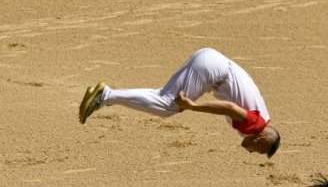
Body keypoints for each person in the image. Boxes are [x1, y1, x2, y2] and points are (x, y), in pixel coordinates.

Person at [78, 48, 281, 157]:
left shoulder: (263, 118)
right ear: (260, 140)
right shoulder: (257, 126)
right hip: (213, 70)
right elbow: (230, 108)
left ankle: (107, 96)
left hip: (212, 63)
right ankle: (104, 95)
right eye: (258, 150)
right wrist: (192, 106)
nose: (252, 152)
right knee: (168, 105)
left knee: (165, 99)